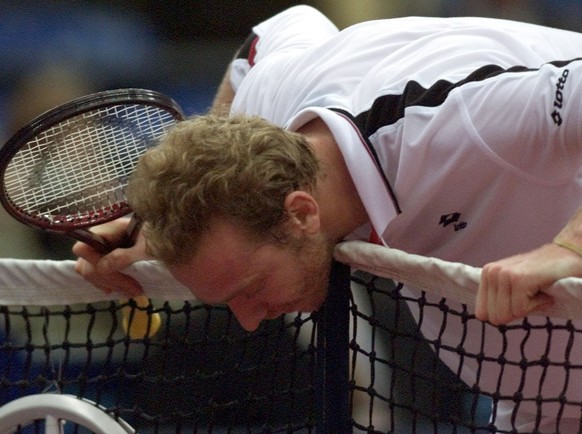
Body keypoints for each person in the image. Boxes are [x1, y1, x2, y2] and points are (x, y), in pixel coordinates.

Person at [73, 5, 582, 430]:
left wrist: (569, 248)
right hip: (542, 396)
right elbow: (270, 36)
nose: (249, 320)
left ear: (301, 213)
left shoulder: (452, 120)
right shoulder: (265, 114)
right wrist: (156, 238)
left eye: (249, 286)